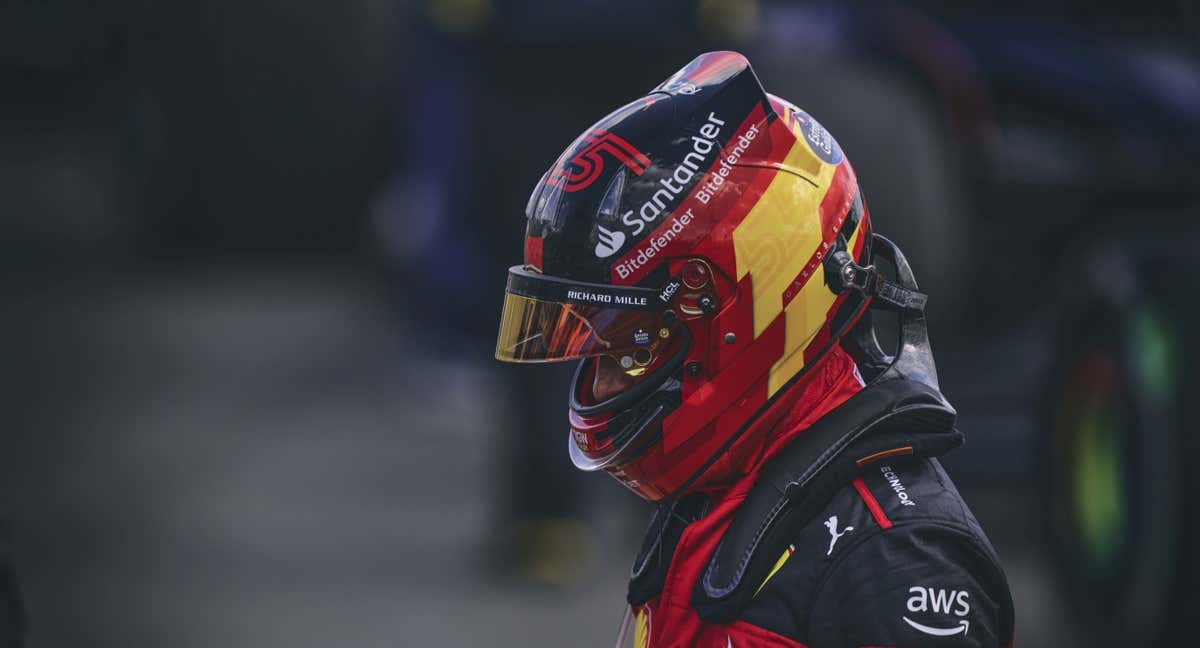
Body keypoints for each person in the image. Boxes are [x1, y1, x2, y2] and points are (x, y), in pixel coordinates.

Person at [493, 51, 1014, 647]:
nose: (604, 382)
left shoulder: (899, 564)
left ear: (739, 314)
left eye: (631, 345)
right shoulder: (727, 475)